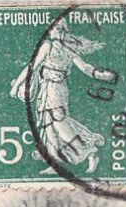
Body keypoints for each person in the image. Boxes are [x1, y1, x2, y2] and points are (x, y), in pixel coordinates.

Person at [10, 20, 116, 174]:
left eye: (60, 29)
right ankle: (56, 163)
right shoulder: (48, 46)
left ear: (64, 31)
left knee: (59, 124)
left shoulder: (65, 48)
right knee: (49, 126)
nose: (57, 32)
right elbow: (32, 68)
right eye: (55, 29)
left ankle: (90, 152)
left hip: (56, 89)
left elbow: (85, 68)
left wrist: (100, 75)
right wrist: (16, 86)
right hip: (47, 88)